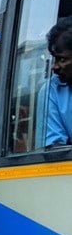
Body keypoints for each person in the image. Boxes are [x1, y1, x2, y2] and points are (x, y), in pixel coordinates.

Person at [38, 17, 72, 147]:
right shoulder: (51, 90)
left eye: (62, 59)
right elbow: (54, 148)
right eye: (54, 59)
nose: (54, 67)